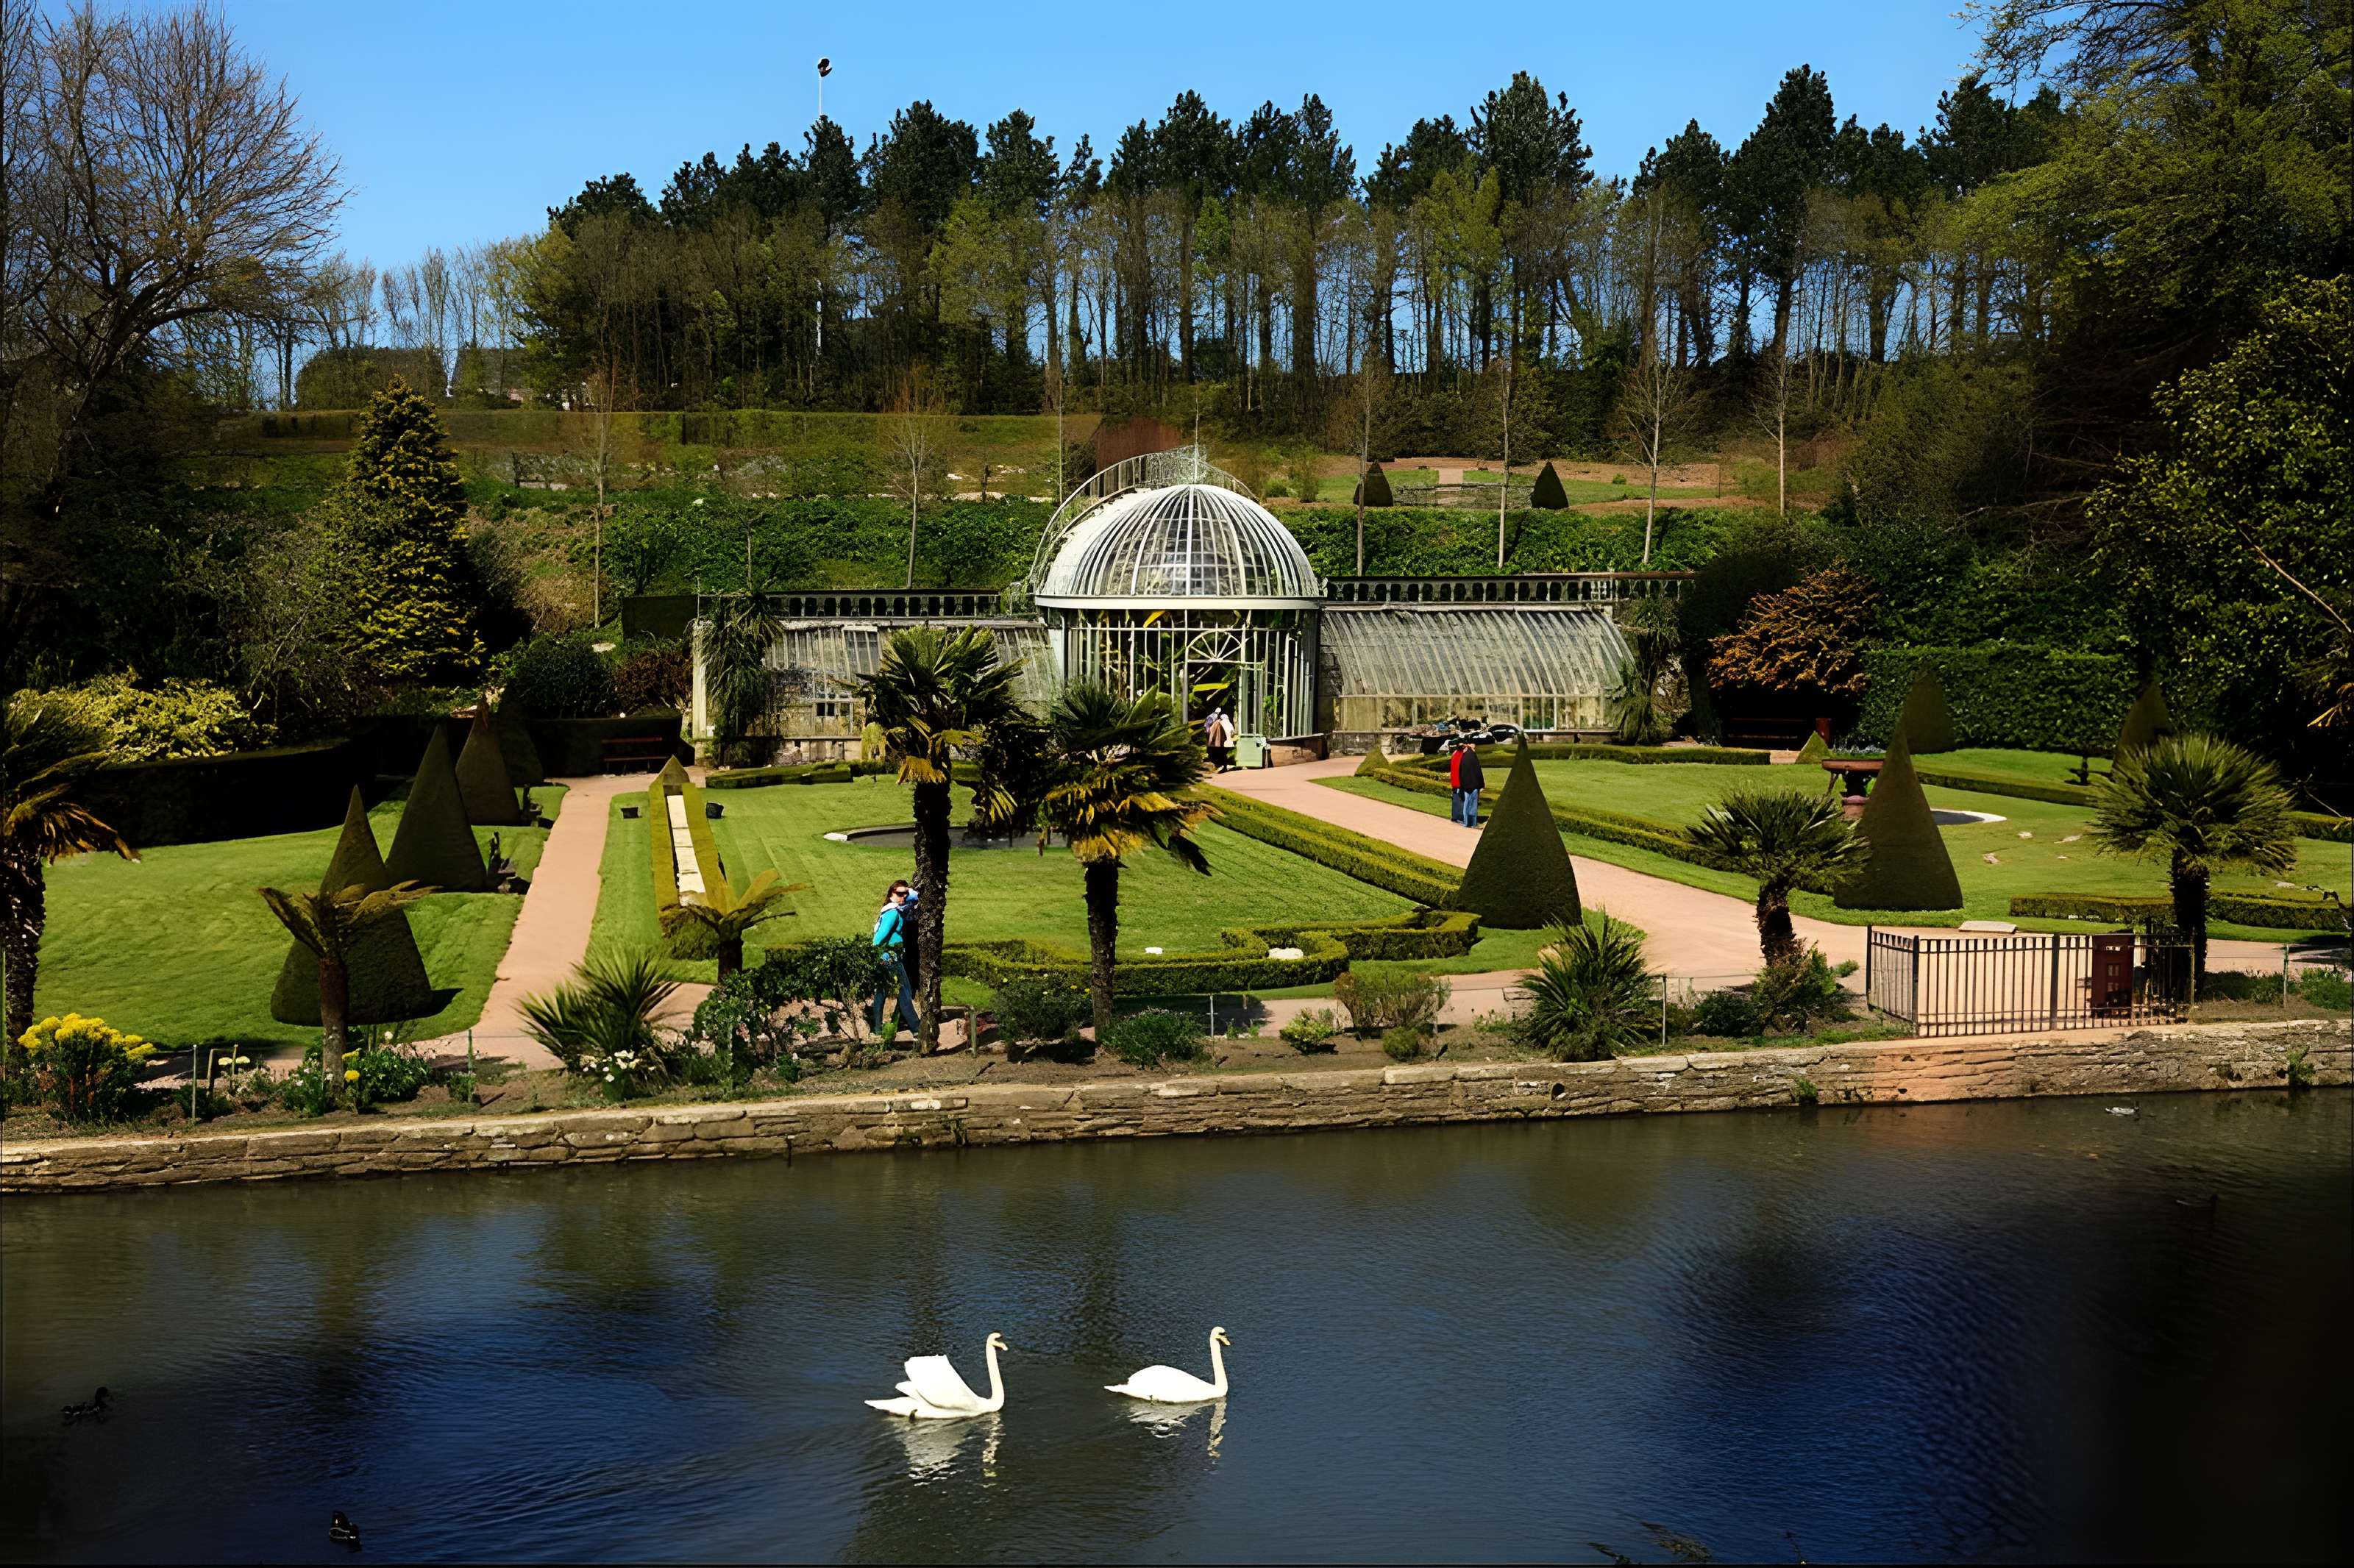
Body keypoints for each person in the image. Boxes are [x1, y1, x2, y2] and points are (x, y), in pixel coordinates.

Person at [870, 880, 918, 1037]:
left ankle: (876, 1029)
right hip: (890, 958)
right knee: (904, 991)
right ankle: (917, 1029)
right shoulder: (893, 913)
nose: (904, 896)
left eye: (905, 894)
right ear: (891, 894)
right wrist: (872, 952)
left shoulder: (893, 909)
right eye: (900, 894)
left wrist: (906, 891)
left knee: (881, 992)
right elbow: (879, 937)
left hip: (884, 958)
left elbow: (915, 897)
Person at [1456, 740, 1486, 827]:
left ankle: (1466, 823)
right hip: (1474, 784)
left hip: (1466, 784)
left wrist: (1461, 784)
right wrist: (1482, 784)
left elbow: (1460, 771)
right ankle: (1473, 823)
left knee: (1466, 804)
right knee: (1473, 805)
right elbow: (1478, 771)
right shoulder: (1473, 755)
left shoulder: (1463, 755)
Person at [1204, 708, 1233, 772]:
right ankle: (1224, 767)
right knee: (1223, 754)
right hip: (1224, 743)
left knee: (1220, 754)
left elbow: (1211, 731)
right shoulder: (1227, 723)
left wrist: (1211, 740)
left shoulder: (1217, 722)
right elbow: (1231, 732)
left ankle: (1221, 766)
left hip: (1218, 743)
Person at [1447, 741, 1468, 825]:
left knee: (1455, 798)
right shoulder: (1462, 756)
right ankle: (1459, 817)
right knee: (1460, 800)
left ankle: (1455, 816)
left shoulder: (1455, 754)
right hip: (1460, 781)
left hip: (1455, 781)